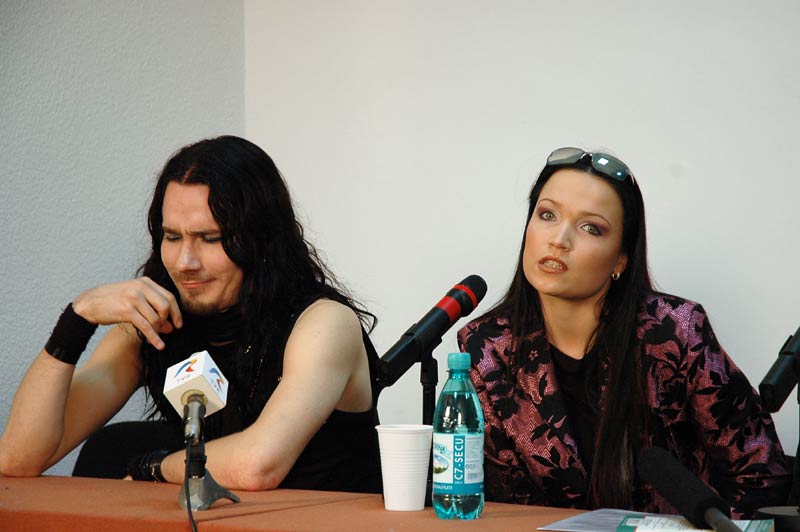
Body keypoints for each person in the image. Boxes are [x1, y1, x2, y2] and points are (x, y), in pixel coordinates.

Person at [0, 135, 382, 493]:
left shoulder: (323, 323)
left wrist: (152, 467)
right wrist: (77, 319)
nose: (185, 262)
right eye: (172, 237)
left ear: (262, 240)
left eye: (209, 238)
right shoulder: (155, 322)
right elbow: (18, 458)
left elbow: (257, 465)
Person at [457, 147, 791, 517]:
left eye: (590, 227)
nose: (559, 239)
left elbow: (761, 474)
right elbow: (489, 498)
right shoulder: (486, 348)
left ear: (620, 259)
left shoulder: (674, 332)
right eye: (547, 215)